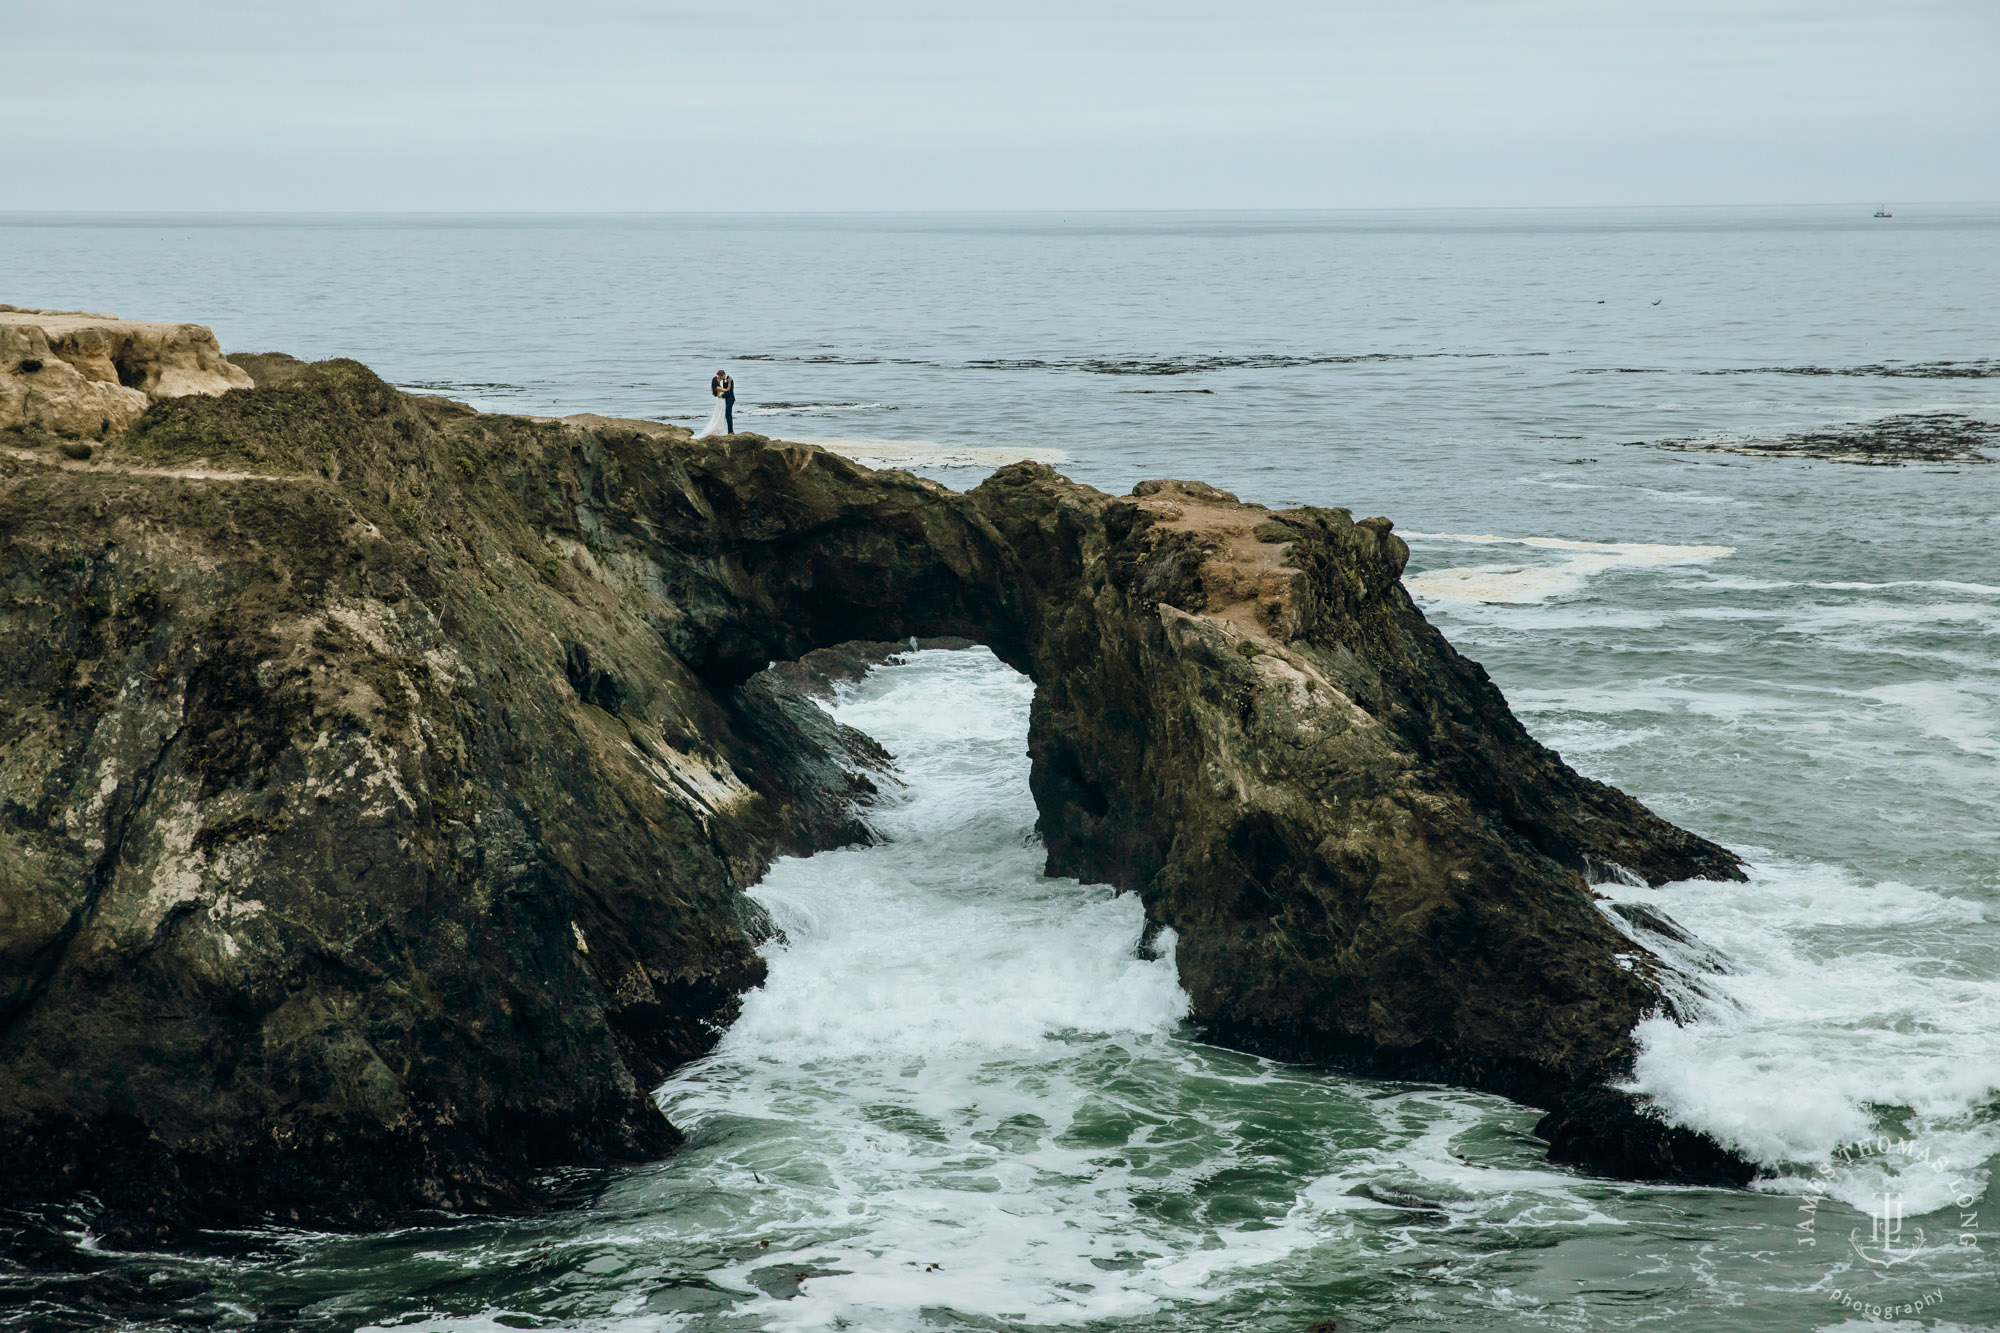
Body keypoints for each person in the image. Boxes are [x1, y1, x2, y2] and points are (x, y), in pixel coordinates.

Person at [695, 369, 733, 439]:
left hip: (722, 400)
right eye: (718, 378)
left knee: (721, 414)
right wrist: (729, 382)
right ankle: (725, 429)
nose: (719, 379)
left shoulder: (719, 385)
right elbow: (727, 390)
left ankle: (726, 429)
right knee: (721, 414)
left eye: (719, 377)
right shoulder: (718, 387)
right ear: (716, 381)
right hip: (721, 401)